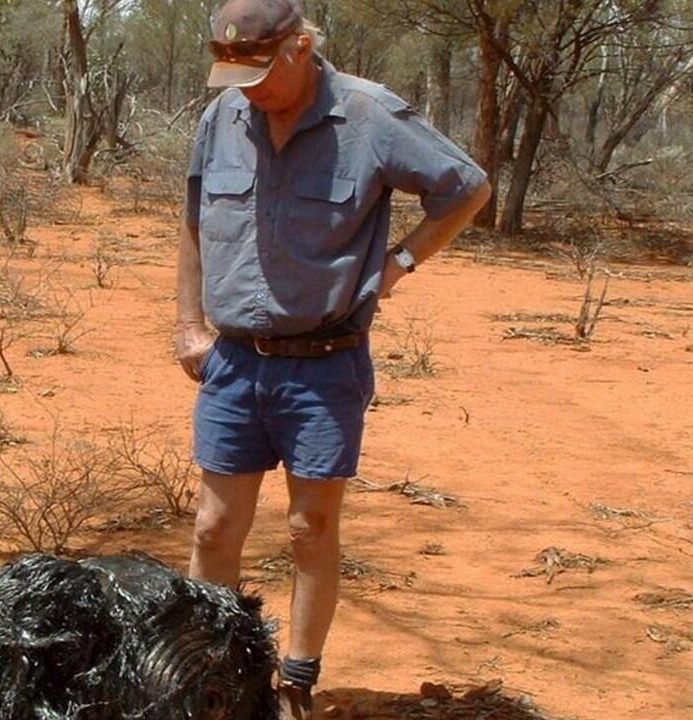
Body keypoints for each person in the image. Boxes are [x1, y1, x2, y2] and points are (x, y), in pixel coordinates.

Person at [176, 0, 491, 717]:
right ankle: (210, 678)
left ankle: (296, 683)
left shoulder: (368, 115)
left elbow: (466, 187)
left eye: (257, 70)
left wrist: (400, 262)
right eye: (232, 72)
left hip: (324, 364)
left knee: (308, 529)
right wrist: (187, 324)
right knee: (213, 528)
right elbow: (194, 223)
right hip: (233, 362)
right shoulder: (221, 118)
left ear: (300, 46)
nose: (245, 88)